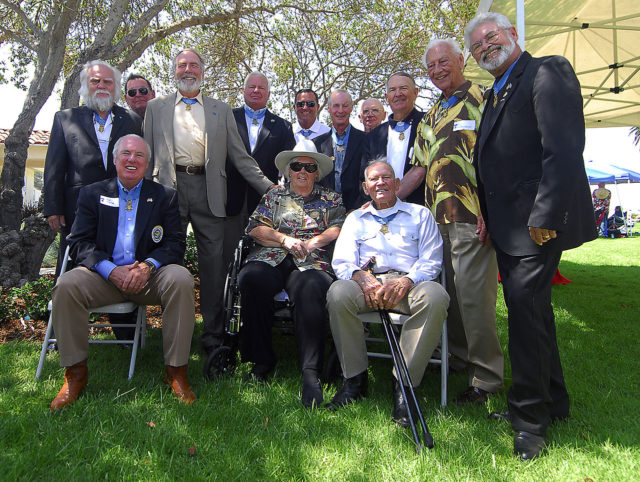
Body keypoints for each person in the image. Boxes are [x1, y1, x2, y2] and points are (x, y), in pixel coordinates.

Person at [465, 12, 597, 459]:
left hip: (535, 226)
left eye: (491, 37)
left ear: (513, 34)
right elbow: (493, 164)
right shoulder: (495, 94)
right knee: (535, 315)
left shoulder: (547, 71)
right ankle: (553, 403)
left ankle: (529, 422)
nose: (485, 47)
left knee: (524, 319)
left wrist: (547, 216)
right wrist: (484, 214)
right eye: (477, 45)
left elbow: (562, 148)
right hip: (505, 228)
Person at [49, 134, 196, 411]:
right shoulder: (92, 194)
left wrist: (147, 266)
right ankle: (75, 376)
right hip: (103, 276)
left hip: (148, 276)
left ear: (147, 163)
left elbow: (175, 244)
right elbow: (79, 242)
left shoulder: (164, 196)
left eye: (139, 155)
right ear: (115, 160)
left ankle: (176, 373)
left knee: (181, 279)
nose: (132, 159)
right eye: (126, 154)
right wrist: (110, 270)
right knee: (67, 285)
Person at [143, 48, 273, 356]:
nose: (188, 69)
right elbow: (147, 155)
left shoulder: (221, 109)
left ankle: (213, 339)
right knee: (167, 265)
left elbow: (241, 158)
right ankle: (175, 338)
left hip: (210, 193)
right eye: (182, 65)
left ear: (203, 70)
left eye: (194, 65)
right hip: (168, 192)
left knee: (214, 270)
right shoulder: (155, 107)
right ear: (174, 70)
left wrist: (272, 189)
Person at [401, 38, 504, 405]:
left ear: (461, 60)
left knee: (475, 299)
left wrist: (491, 213)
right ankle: (460, 359)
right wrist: (386, 199)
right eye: (431, 66)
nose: (438, 70)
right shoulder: (429, 115)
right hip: (434, 222)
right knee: (450, 297)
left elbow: (497, 156)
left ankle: (488, 377)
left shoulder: (484, 98)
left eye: (444, 61)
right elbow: (418, 167)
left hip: (472, 217)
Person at [326, 161, 449, 427]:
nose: (380, 183)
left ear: (397, 183)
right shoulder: (354, 219)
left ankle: (405, 386)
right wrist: (360, 276)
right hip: (367, 284)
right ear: (365, 187)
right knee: (338, 293)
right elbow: (342, 262)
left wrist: (407, 280)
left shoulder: (420, 215)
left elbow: (431, 260)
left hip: (409, 284)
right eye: (373, 179)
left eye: (386, 178)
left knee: (436, 297)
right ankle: (355, 381)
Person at [238, 139, 345, 408]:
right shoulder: (274, 196)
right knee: (252, 279)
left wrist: (313, 243)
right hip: (272, 255)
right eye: (297, 166)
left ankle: (310, 373)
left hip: (311, 259)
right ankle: (261, 361)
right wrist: (284, 240)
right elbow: (254, 228)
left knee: (311, 287)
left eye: (309, 167)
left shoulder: (331, 198)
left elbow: (339, 227)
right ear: (288, 170)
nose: (302, 172)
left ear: (317, 173)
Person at [43, 60, 142, 272]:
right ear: (85, 86)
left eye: (108, 81)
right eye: (95, 81)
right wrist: (53, 208)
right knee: (72, 271)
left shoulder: (133, 120)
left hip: (122, 208)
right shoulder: (65, 119)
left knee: (118, 268)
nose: (102, 86)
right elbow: (54, 167)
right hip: (77, 211)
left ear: (115, 87)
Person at [227, 71, 296, 217]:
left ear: (269, 94)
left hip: (266, 203)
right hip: (229, 200)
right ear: (243, 91)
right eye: (252, 87)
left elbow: (289, 168)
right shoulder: (227, 118)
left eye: (261, 88)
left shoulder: (283, 126)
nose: (256, 90)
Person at [362, 72, 425, 205]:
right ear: (386, 97)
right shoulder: (374, 136)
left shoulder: (428, 123)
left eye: (403, 88)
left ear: (415, 92)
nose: (398, 94)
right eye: (392, 90)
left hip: (420, 207)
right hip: (382, 210)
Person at [313, 89, 366, 211]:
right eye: (336, 106)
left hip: (358, 211)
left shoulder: (365, 140)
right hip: (324, 212)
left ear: (352, 108)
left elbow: (366, 178)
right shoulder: (317, 144)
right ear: (329, 109)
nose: (341, 111)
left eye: (345, 106)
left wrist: (357, 209)